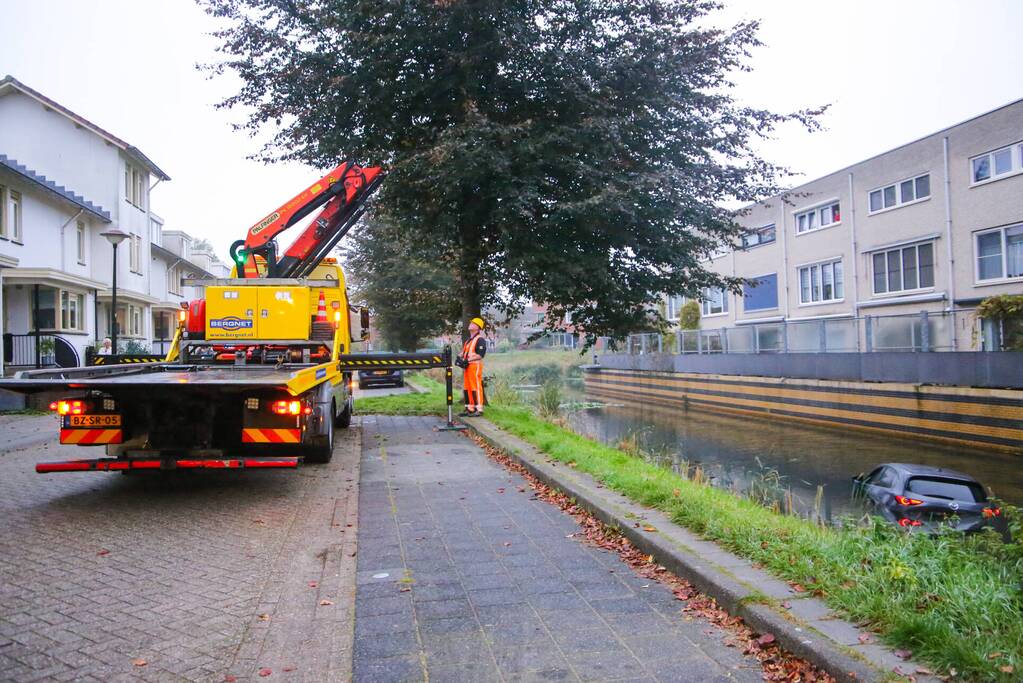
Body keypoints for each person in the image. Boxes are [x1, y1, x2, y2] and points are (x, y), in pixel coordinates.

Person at [458, 317, 487, 417]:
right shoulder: (469, 341)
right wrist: (459, 358)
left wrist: (467, 360)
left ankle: (479, 409)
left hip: (475, 366)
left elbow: (480, 355)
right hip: (467, 367)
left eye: (473, 323)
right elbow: (463, 353)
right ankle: (469, 408)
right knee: (467, 387)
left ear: (478, 327)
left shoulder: (480, 340)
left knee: (475, 386)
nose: (470, 324)